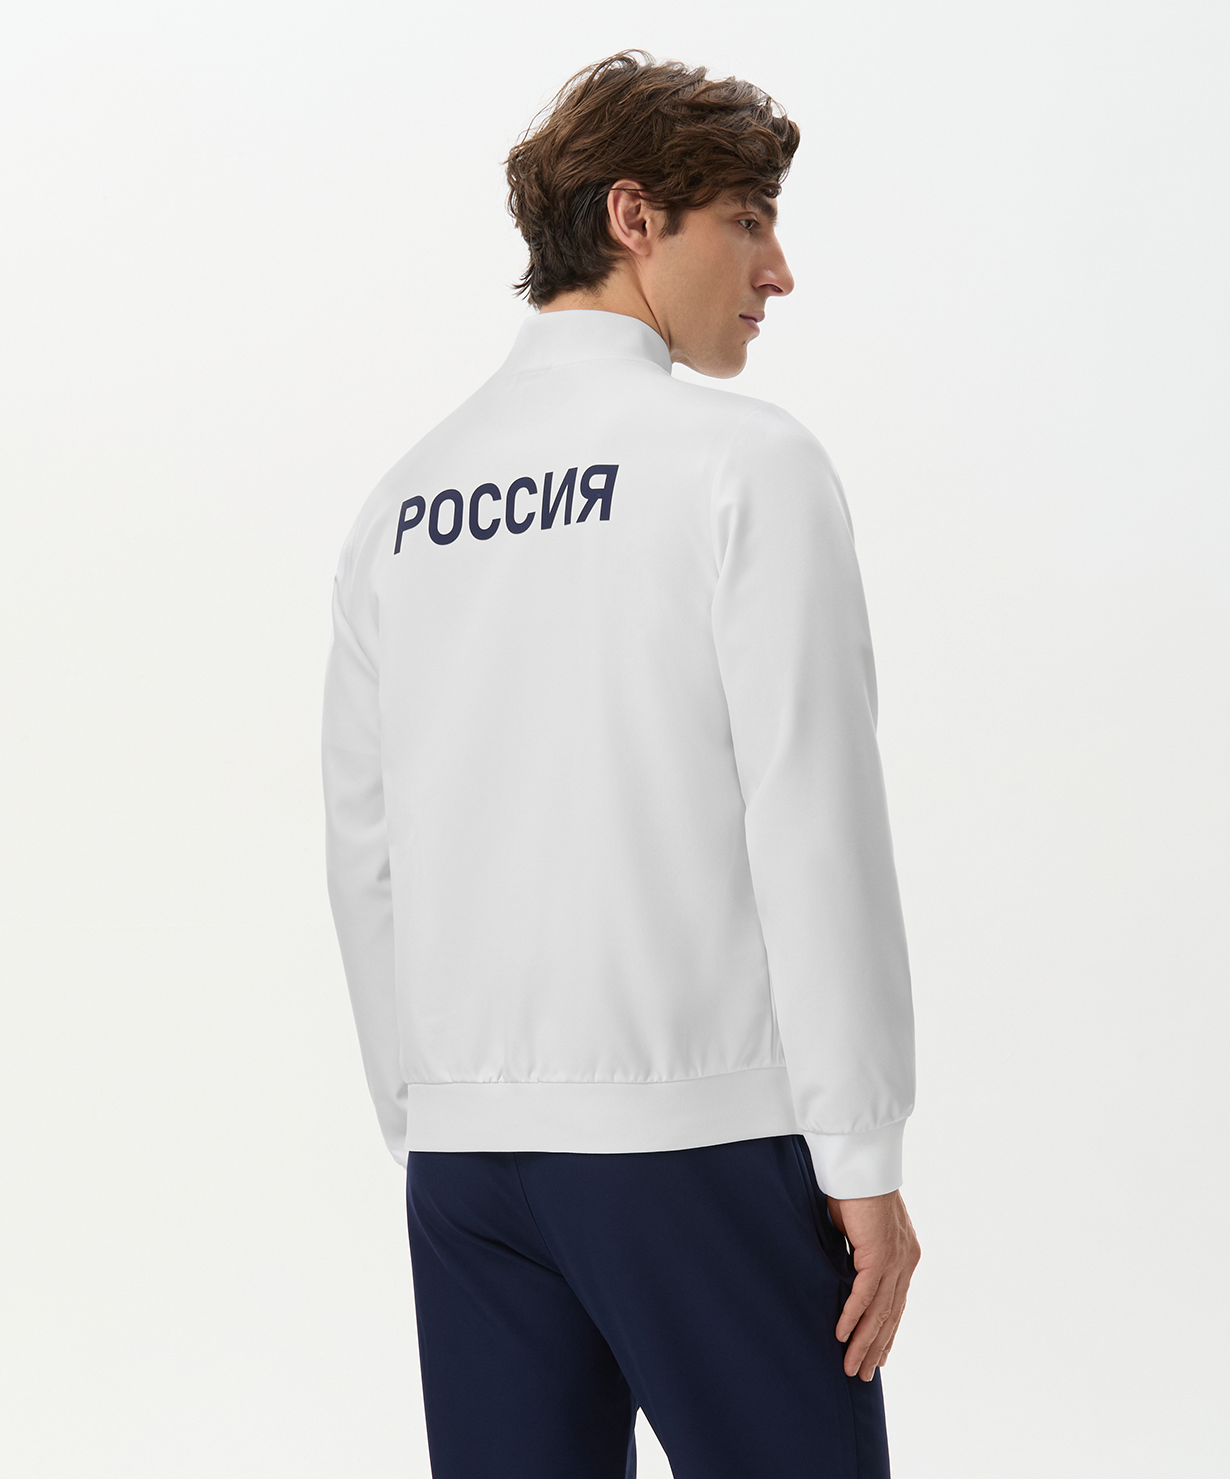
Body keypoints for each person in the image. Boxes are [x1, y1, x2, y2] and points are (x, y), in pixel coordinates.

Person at [322, 49, 920, 1479]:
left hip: (470, 1167)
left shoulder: (405, 502)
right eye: (748, 221)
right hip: (695, 1141)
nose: (778, 272)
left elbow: (364, 837)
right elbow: (811, 816)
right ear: (635, 216)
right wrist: (861, 1151)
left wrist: (426, 1110)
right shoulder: (744, 465)